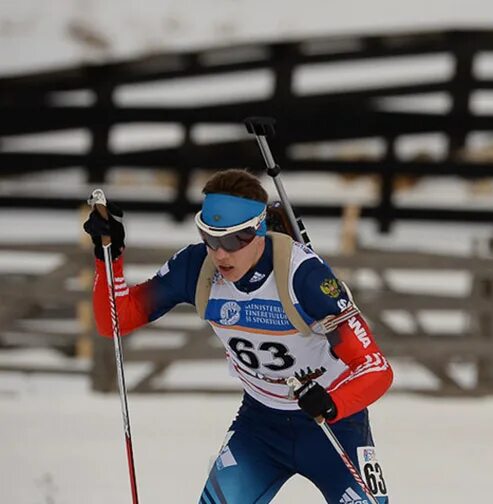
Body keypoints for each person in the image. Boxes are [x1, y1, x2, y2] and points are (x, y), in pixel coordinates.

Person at [84, 168, 393, 504]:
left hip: (332, 426)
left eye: (231, 240)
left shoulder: (305, 278)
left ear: (257, 229)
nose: (219, 253)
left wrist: (333, 403)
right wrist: (108, 256)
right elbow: (116, 320)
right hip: (259, 428)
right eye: (209, 237)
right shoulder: (195, 268)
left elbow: (376, 369)